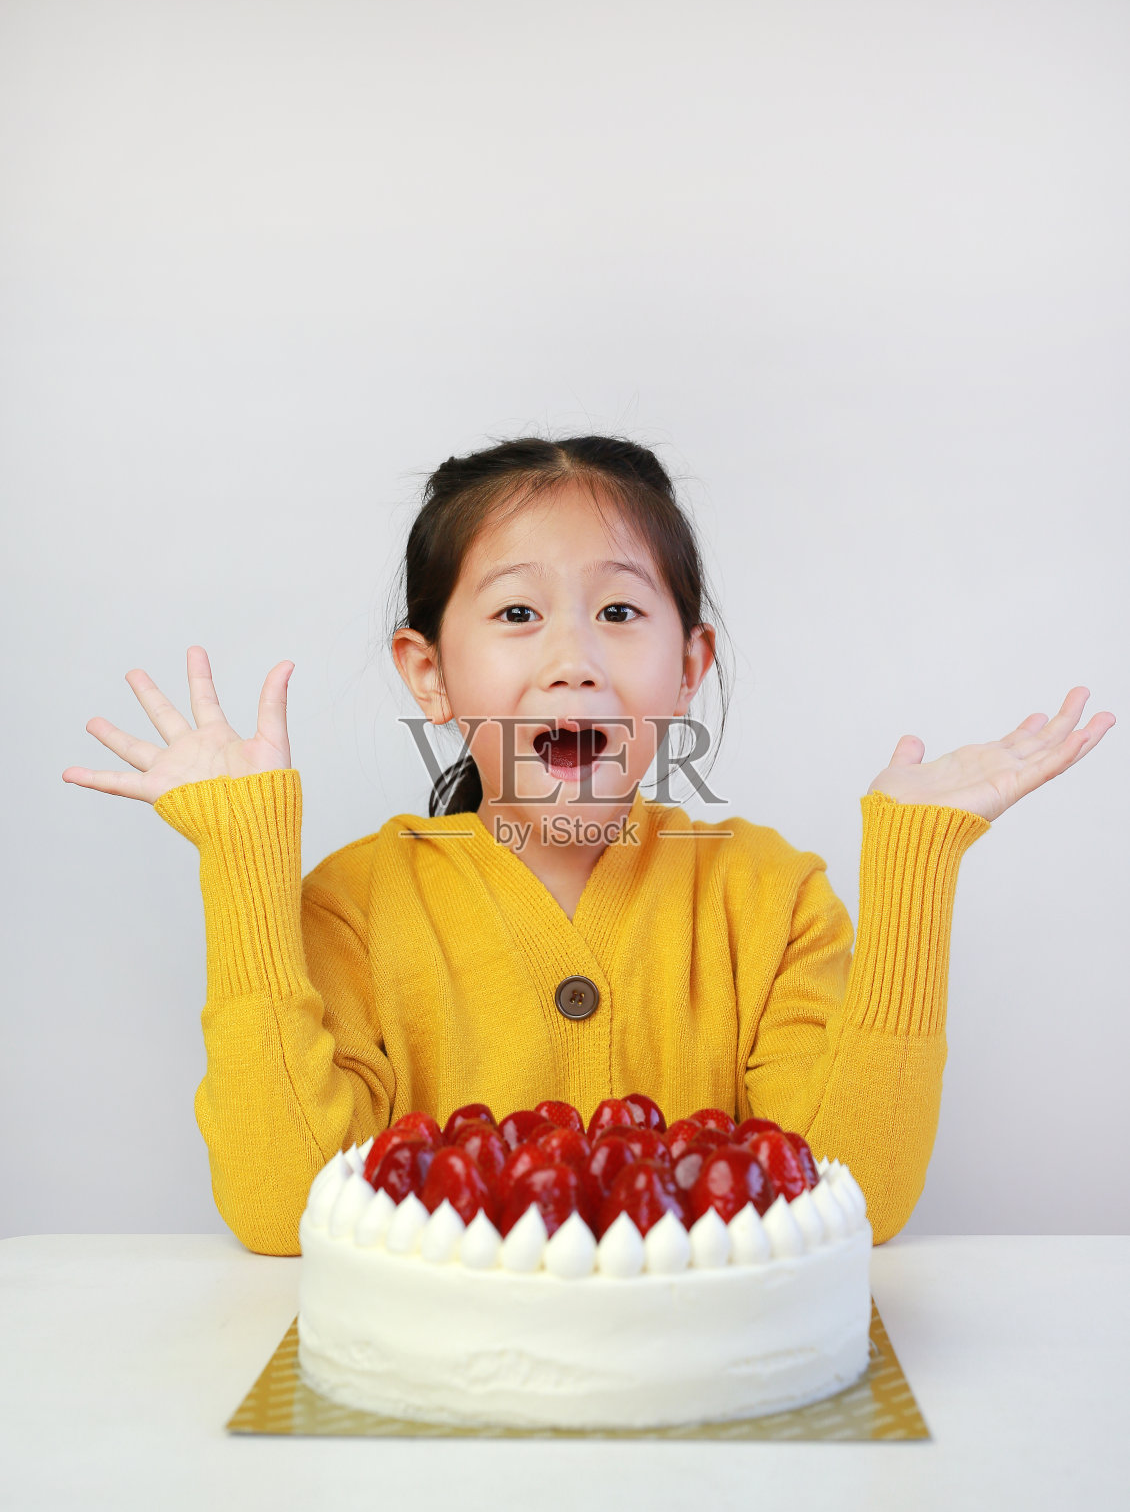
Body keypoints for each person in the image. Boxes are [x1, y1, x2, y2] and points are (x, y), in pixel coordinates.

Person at [62, 435, 1116, 1256]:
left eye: (618, 608)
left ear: (688, 664)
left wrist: (913, 864)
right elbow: (281, 1207)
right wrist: (239, 862)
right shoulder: (354, 906)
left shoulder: (770, 896)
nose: (572, 659)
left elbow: (856, 1199)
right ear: (427, 674)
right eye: (517, 612)